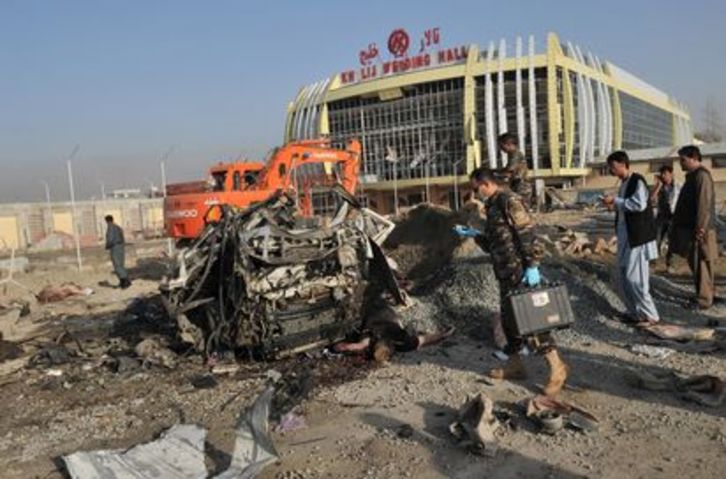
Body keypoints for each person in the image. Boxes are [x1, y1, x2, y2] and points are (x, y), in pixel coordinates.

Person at [454, 167, 568, 396]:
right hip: (505, 272)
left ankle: (557, 368)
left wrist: (533, 266)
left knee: (533, 321)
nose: (476, 194)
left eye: (476, 189)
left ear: (486, 184)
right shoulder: (492, 205)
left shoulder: (509, 201)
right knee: (510, 321)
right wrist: (475, 235)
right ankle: (515, 365)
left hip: (521, 271)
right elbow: (496, 242)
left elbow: (527, 234)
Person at [601, 151, 660, 326]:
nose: (611, 170)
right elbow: (624, 207)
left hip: (638, 238)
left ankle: (651, 316)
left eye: (612, 166)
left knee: (636, 279)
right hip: (625, 236)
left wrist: (616, 201)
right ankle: (634, 313)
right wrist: (613, 205)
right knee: (621, 277)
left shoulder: (637, 181)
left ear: (621, 163)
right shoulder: (624, 183)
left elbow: (639, 204)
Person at [669, 145, 717, 310]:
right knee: (697, 264)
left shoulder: (701, 176)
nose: (680, 163)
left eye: (683, 160)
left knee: (701, 264)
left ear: (693, 158)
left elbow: (703, 204)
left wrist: (700, 228)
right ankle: (705, 295)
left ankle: (704, 300)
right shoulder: (693, 176)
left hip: (699, 230)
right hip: (693, 229)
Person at [650, 165, 680, 272]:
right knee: (656, 240)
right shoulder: (659, 187)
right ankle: (653, 264)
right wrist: (658, 186)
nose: (663, 176)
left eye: (665, 174)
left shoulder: (678, 186)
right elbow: (652, 199)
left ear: (671, 174)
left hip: (673, 217)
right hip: (661, 217)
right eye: (662, 174)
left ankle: (670, 264)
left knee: (672, 242)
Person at [496, 132, 533, 207]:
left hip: (522, 187)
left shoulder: (516, 155)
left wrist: (496, 176)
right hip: (517, 185)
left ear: (509, 144)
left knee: (520, 209)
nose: (501, 149)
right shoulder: (512, 155)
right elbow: (506, 170)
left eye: (502, 146)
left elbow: (509, 172)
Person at [104, 215, 131, 288]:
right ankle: (126, 280)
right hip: (121, 246)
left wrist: (107, 246)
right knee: (121, 264)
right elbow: (122, 237)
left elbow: (110, 238)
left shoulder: (110, 227)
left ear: (107, 221)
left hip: (115, 247)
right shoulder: (118, 227)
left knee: (117, 265)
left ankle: (124, 282)